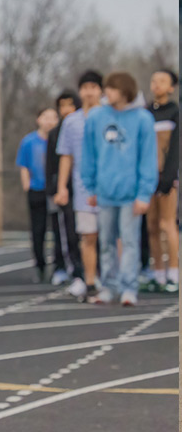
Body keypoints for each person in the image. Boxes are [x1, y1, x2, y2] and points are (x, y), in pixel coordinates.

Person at [81, 71, 157, 306]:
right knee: (106, 242)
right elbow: (88, 153)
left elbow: (148, 158)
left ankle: (128, 288)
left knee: (130, 241)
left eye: (112, 89)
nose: (107, 93)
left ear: (124, 91)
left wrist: (144, 193)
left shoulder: (143, 119)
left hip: (131, 193)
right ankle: (108, 286)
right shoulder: (96, 117)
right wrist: (91, 186)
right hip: (104, 192)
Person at [54, 70, 104, 300]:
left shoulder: (110, 116)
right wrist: (62, 187)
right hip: (83, 190)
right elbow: (66, 156)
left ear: (101, 91)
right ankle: (88, 280)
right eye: (85, 87)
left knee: (113, 237)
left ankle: (113, 279)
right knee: (87, 237)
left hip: (109, 188)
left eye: (94, 87)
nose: (89, 92)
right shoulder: (71, 121)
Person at [144, 68, 179, 292]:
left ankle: (174, 274)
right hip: (147, 179)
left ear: (171, 87)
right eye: (154, 80)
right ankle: (158, 274)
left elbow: (176, 149)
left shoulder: (175, 111)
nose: (157, 84)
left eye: (162, 81)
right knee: (152, 227)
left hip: (167, 178)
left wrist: (167, 177)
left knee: (168, 224)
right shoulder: (145, 112)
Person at [16, 106, 59, 282]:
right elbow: (23, 165)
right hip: (36, 190)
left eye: (52, 117)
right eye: (45, 117)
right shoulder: (28, 141)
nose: (49, 121)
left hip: (55, 192)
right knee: (38, 230)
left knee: (58, 229)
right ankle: (40, 266)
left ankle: (59, 266)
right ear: (38, 119)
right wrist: (27, 185)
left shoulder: (59, 140)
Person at [45, 90, 81, 286]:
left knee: (81, 233)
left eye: (70, 104)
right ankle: (62, 267)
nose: (66, 109)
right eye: (62, 105)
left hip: (83, 188)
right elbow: (50, 164)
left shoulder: (84, 126)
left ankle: (84, 270)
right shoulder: (55, 133)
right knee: (62, 231)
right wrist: (53, 189)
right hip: (62, 190)